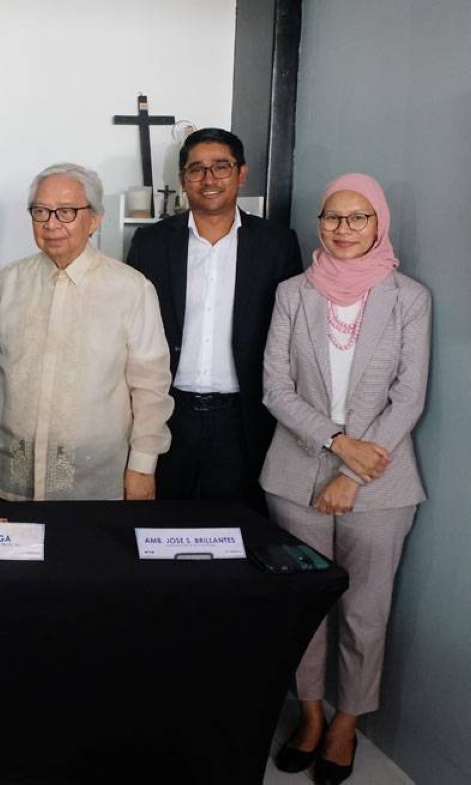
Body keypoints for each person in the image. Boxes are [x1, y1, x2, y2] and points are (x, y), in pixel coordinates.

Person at [262, 174, 430, 785]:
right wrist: (336, 444)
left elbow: (409, 398)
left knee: (365, 611)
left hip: (381, 487)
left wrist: (352, 475)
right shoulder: (292, 293)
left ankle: (345, 723)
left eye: (358, 218)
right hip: (294, 475)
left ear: (378, 223)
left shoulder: (409, 297)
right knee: (305, 609)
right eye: (333, 217)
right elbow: (275, 387)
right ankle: (309, 715)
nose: (343, 229)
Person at [0, 163, 173, 501]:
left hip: (92, 477)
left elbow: (151, 386)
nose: (51, 224)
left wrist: (142, 466)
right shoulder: (6, 284)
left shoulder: (131, 289)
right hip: (6, 472)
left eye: (66, 212)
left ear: (94, 219)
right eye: (40, 211)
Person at [127, 128, 303, 511]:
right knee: (157, 527)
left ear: (241, 173)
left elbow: (291, 336)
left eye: (221, 167)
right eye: (196, 169)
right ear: (182, 180)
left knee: (236, 533)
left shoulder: (276, 244)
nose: (208, 179)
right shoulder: (151, 243)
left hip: (241, 418)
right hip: (168, 413)